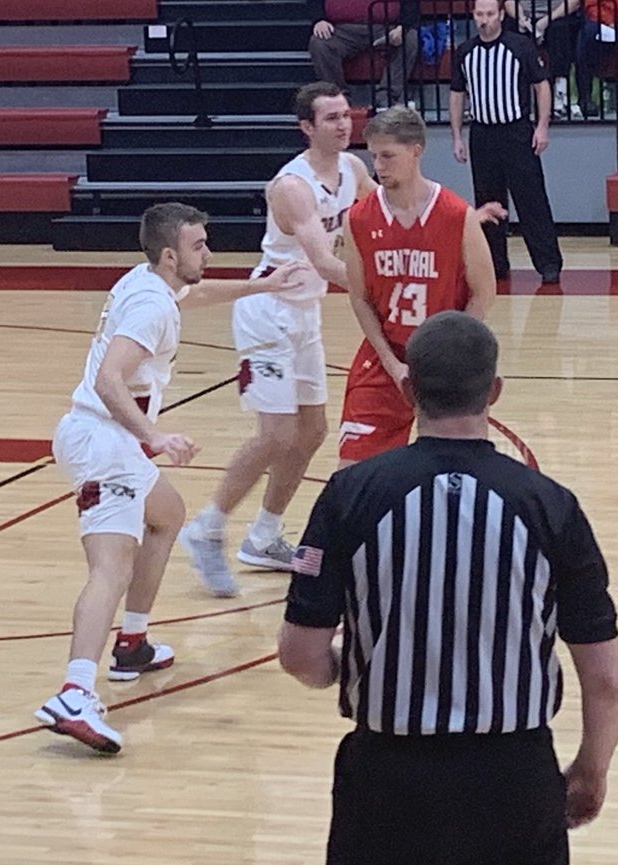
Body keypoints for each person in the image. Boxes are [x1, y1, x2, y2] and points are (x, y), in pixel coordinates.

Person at [279, 312, 618, 865]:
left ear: (408, 389)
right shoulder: (550, 505)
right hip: (513, 775)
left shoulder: (350, 494)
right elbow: (606, 680)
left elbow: (299, 655)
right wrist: (590, 767)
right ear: (494, 392)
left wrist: (349, 670)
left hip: (387, 776)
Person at [35, 203, 304, 754]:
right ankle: (74, 692)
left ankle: (132, 642)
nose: (208, 253)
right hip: (102, 441)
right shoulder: (150, 307)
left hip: (111, 439)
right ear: (168, 255)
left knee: (168, 514)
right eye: (198, 246)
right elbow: (110, 379)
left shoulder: (153, 284)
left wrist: (262, 285)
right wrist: (153, 436)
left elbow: (194, 296)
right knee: (110, 567)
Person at [179, 83, 376, 598]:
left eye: (346, 114)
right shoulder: (292, 186)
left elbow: (388, 212)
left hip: (304, 312)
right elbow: (324, 262)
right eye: (331, 117)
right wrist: (383, 282)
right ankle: (207, 528)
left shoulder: (353, 169)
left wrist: (455, 222)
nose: (343, 124)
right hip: (267, 311)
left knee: (312, 431)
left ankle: (264, 537)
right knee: (276, 435)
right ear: (307, 127)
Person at [338, 106, 497, 468]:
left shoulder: (456, 214)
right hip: (385, 360)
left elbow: (484, 292)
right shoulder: (358, 217)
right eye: (374, 156)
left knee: (454, 474)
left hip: (445, 363)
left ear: (416, 151)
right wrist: (391, 363)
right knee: (353, 475)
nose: (379, 166)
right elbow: (359, 298)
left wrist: (451, 348)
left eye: (388, 156)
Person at [451, 0, 564, 284]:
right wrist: (457, 136)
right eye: (479, 14)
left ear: (501, 15)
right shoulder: (465, 52)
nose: (484, 20)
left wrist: (542, 126)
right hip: (482, 134)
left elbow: (541, 85)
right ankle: (494, 263)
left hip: (516, 132)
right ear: (473, 16)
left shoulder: (520, 47)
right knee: (488, 202)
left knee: (531, 199)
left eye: (490, 14)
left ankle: (548, 263)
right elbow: (457, 93)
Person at [307, 0, 418, 110]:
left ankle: (386, 97)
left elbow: (410, 4)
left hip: (385, 28)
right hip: (342, 29)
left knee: (410, 38)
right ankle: (337, 98)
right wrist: (319, 20)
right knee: (319, 43)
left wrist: (403, 26)